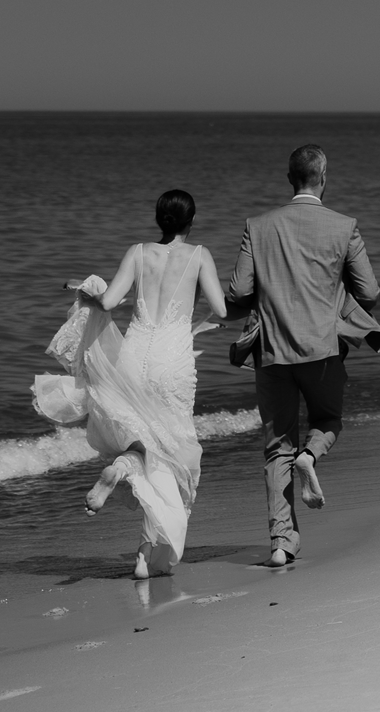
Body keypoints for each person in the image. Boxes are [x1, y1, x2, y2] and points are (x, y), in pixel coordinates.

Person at [226, 144, 380, 568]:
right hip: (323, 350)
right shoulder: (344, 226)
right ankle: (311, 457)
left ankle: (281, 543)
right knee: (328, 421)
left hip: (272, 352)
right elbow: (369, 292)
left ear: (289, 177)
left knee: (277, 448)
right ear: (323, 175)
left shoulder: (257, 227)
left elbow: (238, 293)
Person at [78, 190, 230, 579]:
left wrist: (85, 295)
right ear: (190, 221)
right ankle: (147, 555)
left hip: (135, 354)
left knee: (144, 446)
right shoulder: (199, 255)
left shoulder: (137, 251)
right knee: (172, 454)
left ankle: (124, 473)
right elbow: (222, 308)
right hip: (172, 359)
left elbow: (109, 302)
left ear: (159, 220)